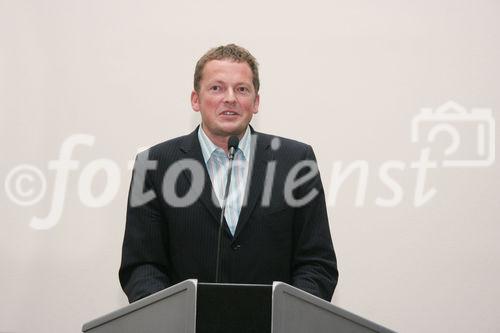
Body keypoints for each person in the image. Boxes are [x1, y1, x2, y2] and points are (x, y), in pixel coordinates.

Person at [119, 44, 338, 303]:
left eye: (242, 89)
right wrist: (174, 320)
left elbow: (317, 263)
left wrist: (288, 318)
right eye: (217, 88)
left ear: (255, 102)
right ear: (195, 99)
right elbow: (142, 267)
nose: (230, 98)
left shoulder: (296, 161)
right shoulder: (154, 165)